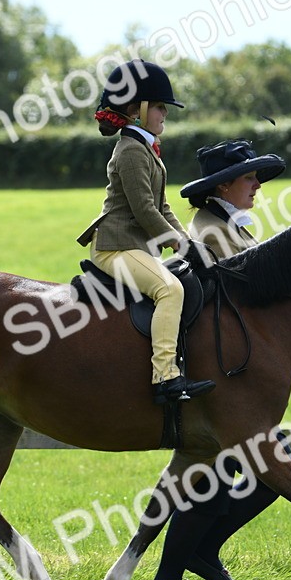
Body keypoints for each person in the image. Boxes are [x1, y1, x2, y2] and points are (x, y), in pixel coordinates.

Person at [146, 139, 287, 580]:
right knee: (221, 476)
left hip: (227, 376)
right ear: (223, 186)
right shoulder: (211, 232)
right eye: (250, 178)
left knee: (241, 469)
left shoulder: (230, 226)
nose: (258, 187)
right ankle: (175, 573)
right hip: (218, 380)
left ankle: (188, 564)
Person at [76, 60, 216, 405]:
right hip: (115, 248)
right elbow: (144, 210)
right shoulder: (130, 151)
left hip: (134, 246)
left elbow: (164, 207)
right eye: (157, 106)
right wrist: (178, 242)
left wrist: (190, 243)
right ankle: (165, 375)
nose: (164, 113)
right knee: (169, 290)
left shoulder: (146, 149)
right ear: (134, 110)